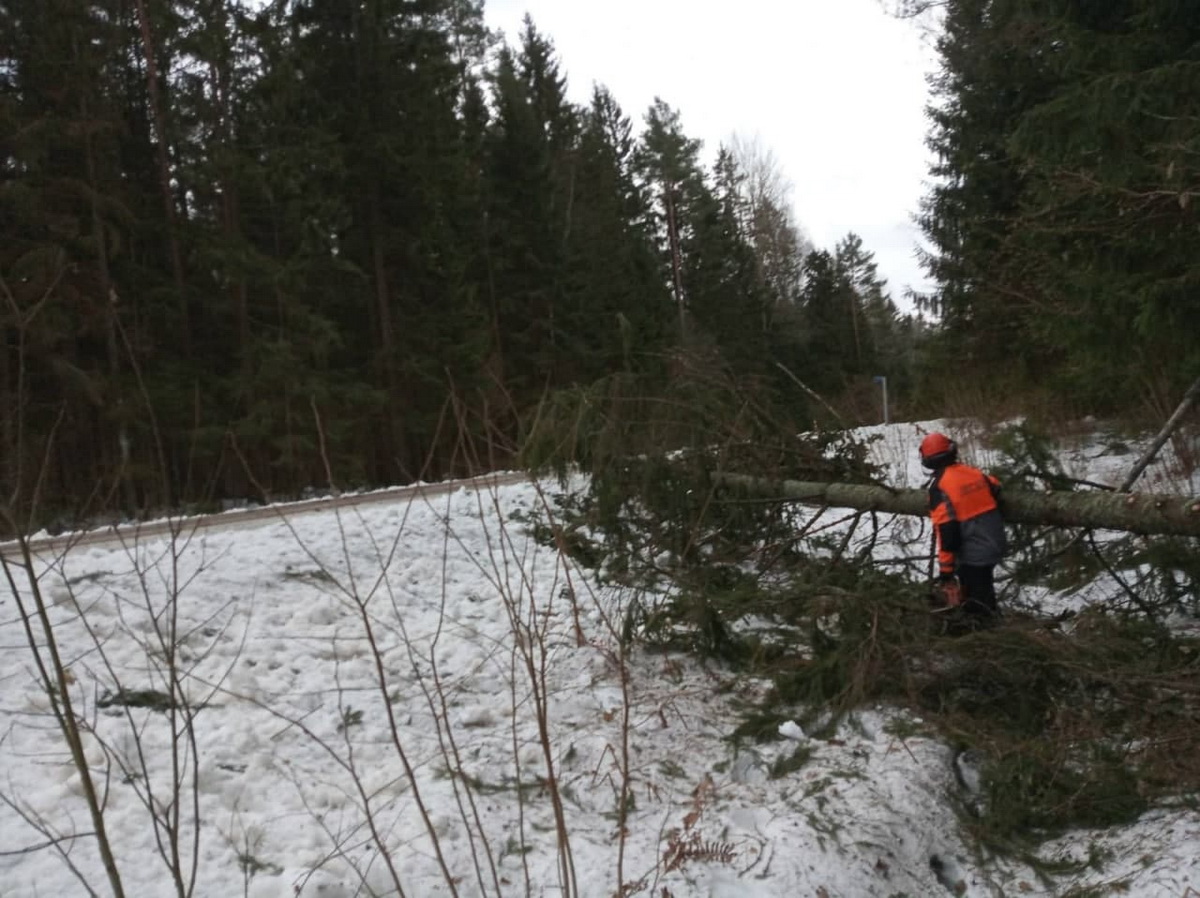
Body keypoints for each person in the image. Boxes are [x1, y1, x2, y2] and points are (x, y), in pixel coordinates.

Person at [919, 432, 1007, 621]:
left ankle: (986, 633)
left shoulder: (939, 489)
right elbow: (995, 486)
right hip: (994, 540)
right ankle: (986, 620)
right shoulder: (972, 473)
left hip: (974, 553)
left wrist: (946, 571)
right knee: (983, 589)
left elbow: (948, 535)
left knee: (978, 601)